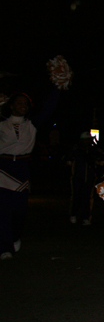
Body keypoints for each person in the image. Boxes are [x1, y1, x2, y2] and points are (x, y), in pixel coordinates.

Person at [1, 90, 60, 259]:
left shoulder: (32, 124)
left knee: (19, 210)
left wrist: (57, 87)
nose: (23, 106)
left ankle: (14, 236)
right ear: (11, 106)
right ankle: (5, 247)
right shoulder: (1, 124)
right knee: (3, 211)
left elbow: (48, 108)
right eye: (19, 103)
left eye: (25, 104)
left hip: (21, 167)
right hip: (2, 167)